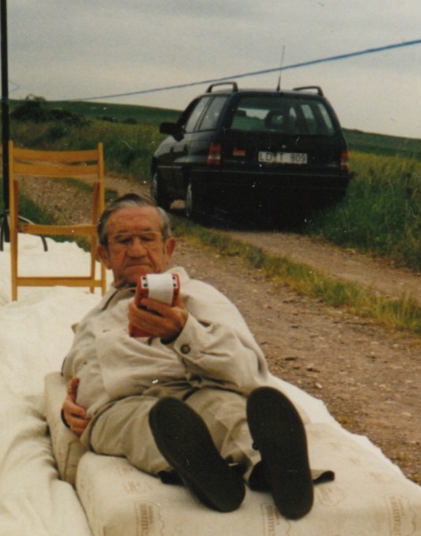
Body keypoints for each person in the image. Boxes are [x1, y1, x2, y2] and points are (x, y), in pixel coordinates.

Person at [61, 193, 316, 519]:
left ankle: (274, 468)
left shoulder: (201, 296)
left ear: (168, 249)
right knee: (146, 424)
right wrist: (68, 409)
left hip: (195, 388)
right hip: (125, 405)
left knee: (227, 411)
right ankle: (207, 474)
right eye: (123, 241)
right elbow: (75, 370)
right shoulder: (93, 320)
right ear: (104, 255)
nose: (136, 250)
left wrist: (182, 332)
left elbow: (246, 371)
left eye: (147, 239)